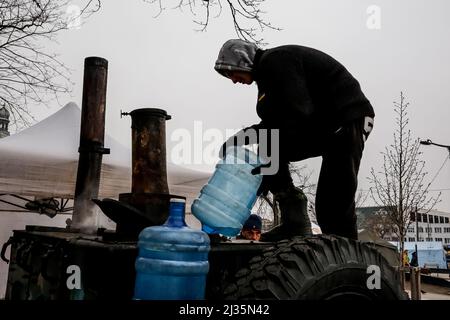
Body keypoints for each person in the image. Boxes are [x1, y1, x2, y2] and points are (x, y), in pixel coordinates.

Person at [215, 39, 375, 242]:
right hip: (325, 122)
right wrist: (254, 150)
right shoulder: (267, 77)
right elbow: (279, 121)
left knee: (334, 199)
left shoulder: (276, 61)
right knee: (269, 144)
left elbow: (295, 113)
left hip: (349, 117)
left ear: (242, 60)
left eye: (230, 72)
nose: (233, 80)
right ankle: (294, 219)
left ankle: (348, 253)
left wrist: (260, 152)